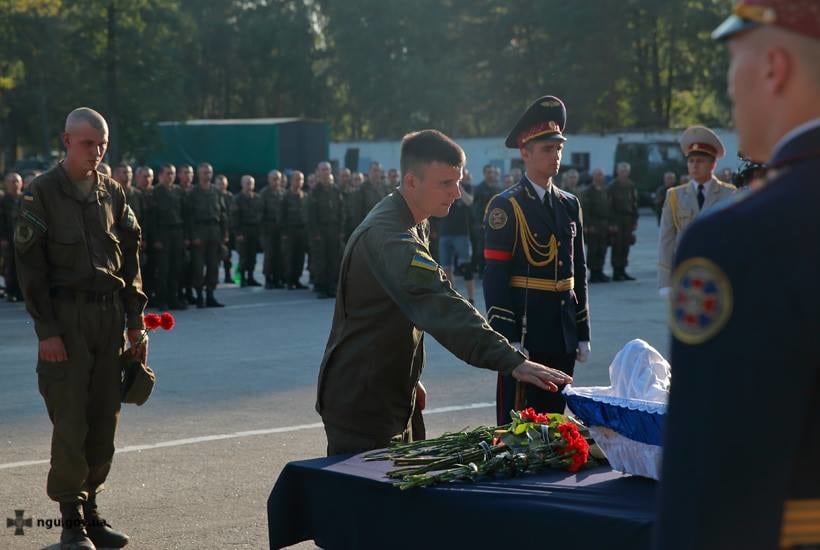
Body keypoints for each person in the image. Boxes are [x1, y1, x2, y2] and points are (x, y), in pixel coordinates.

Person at [655, 3, 820, 549]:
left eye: (733, 64)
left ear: (774, 66)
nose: (730, 89)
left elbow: (712, 483)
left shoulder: (738, 239)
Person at [316, 129, 573, 455]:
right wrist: (511, 360)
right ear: (411, 182)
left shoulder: (411, 218)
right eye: (445, 183)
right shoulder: (389, 236)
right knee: (367, 503)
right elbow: (439, 302)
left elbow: (397, 309)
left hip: (388, 388)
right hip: (364, 401)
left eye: (459, 181)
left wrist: (409, 377)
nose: (456, 192)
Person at [14, 107, 146, 549]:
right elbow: (29, 269)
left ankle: (92, 515)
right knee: (70, 419)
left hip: (108, 318)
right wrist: (46, 330)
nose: (97, 152)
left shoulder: (113, 192)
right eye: (89, 143)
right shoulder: (41, 193)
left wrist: (135, 322)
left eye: (103, 144)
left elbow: (131, 260)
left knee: (103, 418)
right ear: (66, 141)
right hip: (66, 320)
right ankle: (70, 522)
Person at [484, 96, 591, 421]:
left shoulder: (569, 204)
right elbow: (495, 276)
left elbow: (578, 270)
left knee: (555, 417)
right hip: (528, 330)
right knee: (520, 420)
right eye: (547, 149)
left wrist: (582, 330)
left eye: (558, 148)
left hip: (562, 329)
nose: (555, 156)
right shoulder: (507, 206)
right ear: (525, 153)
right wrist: (509, 337)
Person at [657, 126, 736, 292]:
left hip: (719, 273)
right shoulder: (674, 196)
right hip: (686, 274)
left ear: (712, 164)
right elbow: (666, 241)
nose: (694, 166)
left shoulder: (729, 194)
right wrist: (665, 282)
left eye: (700, 161)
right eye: (691, 161)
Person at [185, 163, 227, 308]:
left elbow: (222, 214)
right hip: (199, 231)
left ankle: (210, 294)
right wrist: (192, 236)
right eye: (204, 173)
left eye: (209, 172)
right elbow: (188, 216)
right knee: (198, 266)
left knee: (213, 265)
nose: (207, 175)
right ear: (198, 174)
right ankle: (199, 295)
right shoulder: (193, 192)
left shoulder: (216, 191)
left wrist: (224, 234)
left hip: (214, 231)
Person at [146, 164, 187, 311]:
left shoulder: (178, 191)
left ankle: (173, 298)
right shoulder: (155, 192)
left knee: (176, 268)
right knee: (163, 269)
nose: (171, 176)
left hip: (177, 232)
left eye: (173, 174)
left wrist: (185, 236)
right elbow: (152, 218)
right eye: (168, 173)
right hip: (163, 233)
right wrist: (156, 238)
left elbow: (185, 213)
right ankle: (161, 299)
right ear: (161, 175)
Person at [307, 162, 345, 299]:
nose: (325, 172)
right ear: (318, 172)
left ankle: (332, 286)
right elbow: (311, 216)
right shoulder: (314, 192)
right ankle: (321, 286)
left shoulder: (336, 190)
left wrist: (341, 230)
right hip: (320, 230)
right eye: (323, 170)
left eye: (327, 170)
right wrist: (315, 233)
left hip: (334, 228)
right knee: (320, 260)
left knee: (334, 259)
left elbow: (341, 211)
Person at [437, 178, 476, 303]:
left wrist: (458, 186)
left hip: (461, 233)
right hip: (444, 232)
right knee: (446, 268)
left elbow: (469, 201)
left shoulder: (466, 186)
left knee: (466, 267)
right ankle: (454, 298)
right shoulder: (441, 186)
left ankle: (471, 299)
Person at [607, 162, 639, 281]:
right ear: (618, 172)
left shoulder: (631, 185)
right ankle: (616, 271)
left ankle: (623, 270)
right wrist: (611, 223)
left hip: (628, 219)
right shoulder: (612, 186)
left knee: (626, 245)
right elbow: (608, 206)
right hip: (617, 218)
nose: (624, 173)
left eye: (626, 171)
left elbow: (634, 203)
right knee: (617, 245)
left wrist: (635, 219)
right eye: (622, 171)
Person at [580, 168, 612, 283]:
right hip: (593, 223)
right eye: (598, 175)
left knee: (602, 248)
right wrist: (588, 225)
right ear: (593, 176)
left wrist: (609, 223)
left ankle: (600, 271)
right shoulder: (588, 191)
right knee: (593, 249)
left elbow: (609, 207)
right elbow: (585, 210)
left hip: (604, 224)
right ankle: (593, 273)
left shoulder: (605, 190)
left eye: (602, 175)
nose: (600, 177)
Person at [232, 175, 263, 287]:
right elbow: (234, 217)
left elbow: (260, 214)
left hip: (254, 230)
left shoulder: (257, 198)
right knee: (243, 256)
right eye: (247, 183)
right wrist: (238, 233)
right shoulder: (238, 199)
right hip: (243, 229)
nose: (249, 185)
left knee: (252, 256)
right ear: (242, 184)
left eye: (251, 183)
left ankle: (250, 277)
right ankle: (239, 279)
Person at [471, 164, 502, 276]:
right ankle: (481, 270)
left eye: (492, 172)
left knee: (494, 247)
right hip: (481, 224)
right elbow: (474, 207)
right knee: (481, 248)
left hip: (496, 224)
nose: (491, 175)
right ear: (484, 174)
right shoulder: (479, 188)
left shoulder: (498, 188)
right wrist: (478, 223)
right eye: (489, 172)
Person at [280, 171, 309, 290]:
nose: (299, 182)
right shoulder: (285, 196)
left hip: (302, 230)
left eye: (301, 179)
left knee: (300, 257)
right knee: (290, 256)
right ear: (291, 180)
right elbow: (281, 216)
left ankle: (297, 279)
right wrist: (284, 233)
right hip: (290, 230)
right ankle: (289, 280)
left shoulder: (305, 196)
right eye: (296, 179)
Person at [0, 172, 23, 301]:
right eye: (12, 181)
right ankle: (11, 291)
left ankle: (21, 292)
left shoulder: (25, 198)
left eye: (17, 181)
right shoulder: (3, 201)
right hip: (8, 238)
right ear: (6, 184)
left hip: (23, 238)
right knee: (10, 265)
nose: (15, 184)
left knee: (22, 266)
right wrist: (2, 238)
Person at [261, 170, 285, 289]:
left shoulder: (283, 193)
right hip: (268, 228)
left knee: (279, 254)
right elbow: (260, 213)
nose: (276, 181)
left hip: (280, 229)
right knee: (270, 254)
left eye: (278, 179)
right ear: (269, 179)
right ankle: (268, 278)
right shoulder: (264, 194)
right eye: (273, 178)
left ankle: (277, 278)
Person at [215, 173, 235, 284]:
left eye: (223, 184)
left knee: (228, 255)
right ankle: (215, 276)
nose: (221, 186)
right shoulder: (214, 195)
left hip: (228, 230)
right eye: (219, 184)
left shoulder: (230, 197)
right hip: (216, 230)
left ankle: (228, 276)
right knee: (215, 256)